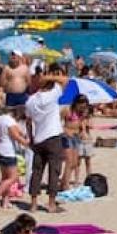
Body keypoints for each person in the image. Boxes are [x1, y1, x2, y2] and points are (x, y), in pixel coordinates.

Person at [25, 69, 69, 213]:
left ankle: (33, 203)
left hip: (38, 139)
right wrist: (49, 76)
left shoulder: (31, 101)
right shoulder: (53, 94)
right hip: (53, 137)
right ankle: (51, 204)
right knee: (54, 171)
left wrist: (31, 139)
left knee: (36, 171)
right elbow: (65, 81)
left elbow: (28, 122)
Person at [0, 106, 28, 210]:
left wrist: (23, 135)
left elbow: (17, 132)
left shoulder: (0, 118)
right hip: (8, 151)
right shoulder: (10, 121)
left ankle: (5, 202)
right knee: (13, 177)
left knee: (5, 178)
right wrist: (27, 143)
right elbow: (16, 135)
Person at [60, 94, 89, 189]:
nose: (82, 107)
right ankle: (65, 185)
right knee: (69, 161)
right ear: (76, 103)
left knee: (74, 163)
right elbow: (57, 122)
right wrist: (65, 130)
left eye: (84, 106)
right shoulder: (67, 110)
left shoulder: (82, 113)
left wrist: (83, 132)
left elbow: (81, 124)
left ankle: (63, 182)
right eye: (81, 105)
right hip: (67, 136)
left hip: (76, 137)